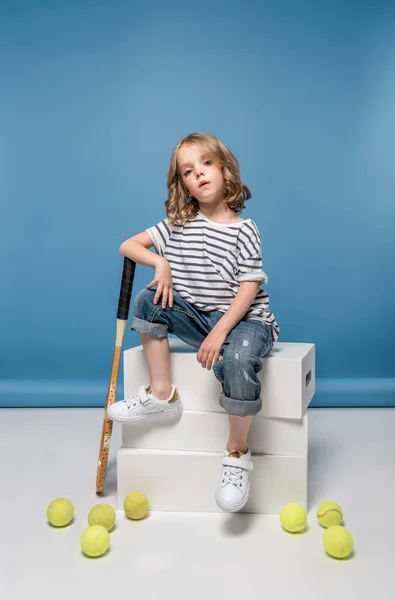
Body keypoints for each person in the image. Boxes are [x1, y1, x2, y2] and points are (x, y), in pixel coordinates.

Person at [107, 132, 280, 513]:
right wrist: (161, 262)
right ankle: (162, 394)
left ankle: (237, 454)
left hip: (246, 320)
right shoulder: (177, 224)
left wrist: (221, 333)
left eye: (206, 164)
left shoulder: (244, 229)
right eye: (188, 170)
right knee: (149, 300)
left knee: (236, 360)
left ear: (225, 169)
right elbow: (128, 246)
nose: (198, 174)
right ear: (182, 183)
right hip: (200, 317)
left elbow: (249, 288)